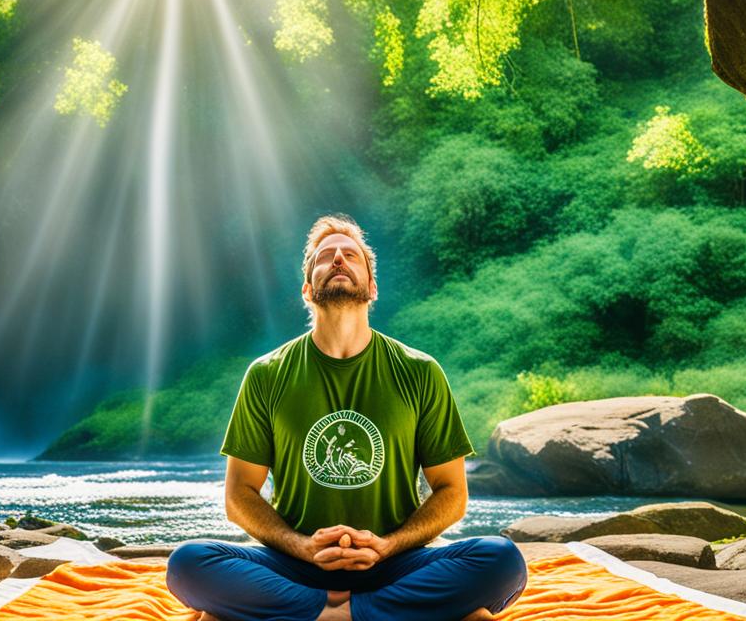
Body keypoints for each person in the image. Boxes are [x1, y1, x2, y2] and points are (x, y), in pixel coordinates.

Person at [166, 214, 527, 621]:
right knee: (189, 563)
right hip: (296, 565)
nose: (338, 259)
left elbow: (452, 493)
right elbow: (239, 496)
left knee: (502, 559)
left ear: (372, 286)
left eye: (351, 255)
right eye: (325, 256)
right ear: (307, 288)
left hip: (394, 564)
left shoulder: (420, 371)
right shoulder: (266, 374)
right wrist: (300, 545)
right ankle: (367, 613)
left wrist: (388, 545)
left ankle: (331, 614)